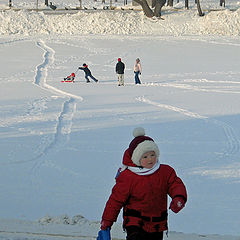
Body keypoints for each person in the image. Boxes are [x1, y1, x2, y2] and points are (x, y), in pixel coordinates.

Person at [98, 127, 187, 240]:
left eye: (152, 155)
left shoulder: (165, 172)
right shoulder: (128, 177)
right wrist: (107, 222)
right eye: (145, 157)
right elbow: (115, 200)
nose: (150, 159)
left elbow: (175, 184)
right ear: (136, 159)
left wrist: (179, 197)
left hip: (157, 222)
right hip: (135, 221)